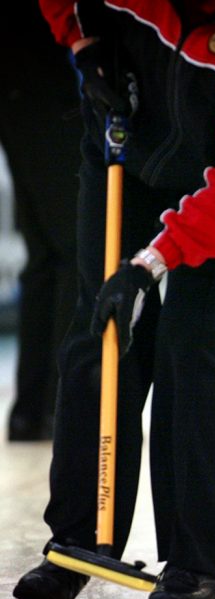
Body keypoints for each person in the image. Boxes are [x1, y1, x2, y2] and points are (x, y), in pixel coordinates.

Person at [13, 0, 215, 599]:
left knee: (195, 345)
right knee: (99, 332)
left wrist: (149, 265)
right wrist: (83, 45)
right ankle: (76, 542)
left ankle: (193, 565)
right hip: (123, 138)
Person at [0, 2, 80, 442]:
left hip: (25, 83)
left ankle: (34, 410)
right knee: (71, 250)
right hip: (40, 81)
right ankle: (57, 407)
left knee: (49, 255)